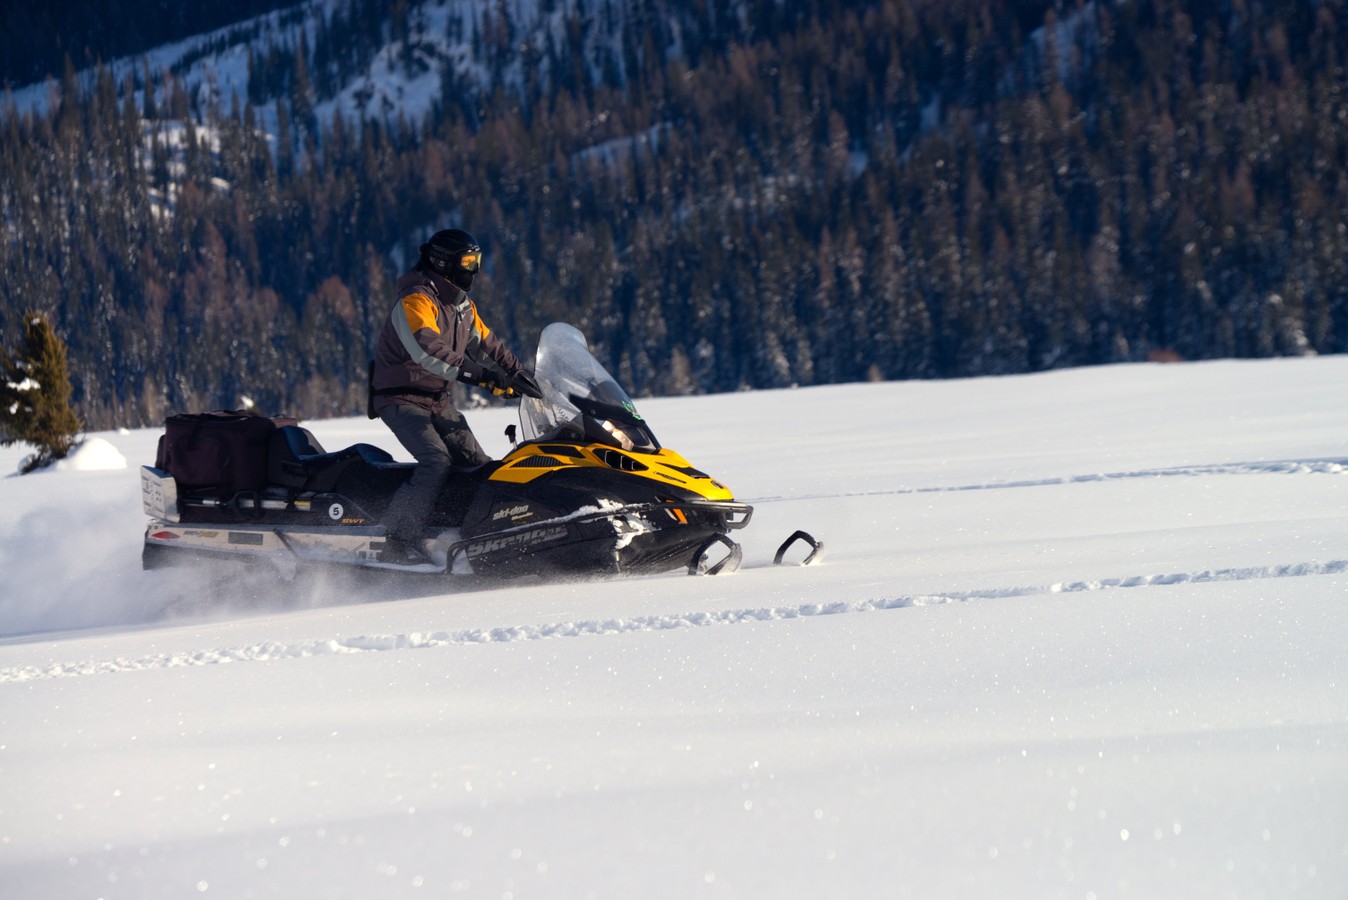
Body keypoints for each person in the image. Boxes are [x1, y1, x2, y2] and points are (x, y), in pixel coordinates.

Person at [370, 228, 542, 564]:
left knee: (478, 465)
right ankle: (398, 540)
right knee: (436, 462)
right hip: (399, 399)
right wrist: (483, 376)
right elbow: (429, 352)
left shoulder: (462, 306)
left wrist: (517, 374)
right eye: (467, 262)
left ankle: (472, 531)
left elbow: (489, 345)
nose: (473, 269)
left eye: (476, 261)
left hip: (437, 401)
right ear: (443, 262)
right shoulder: (415, 301)